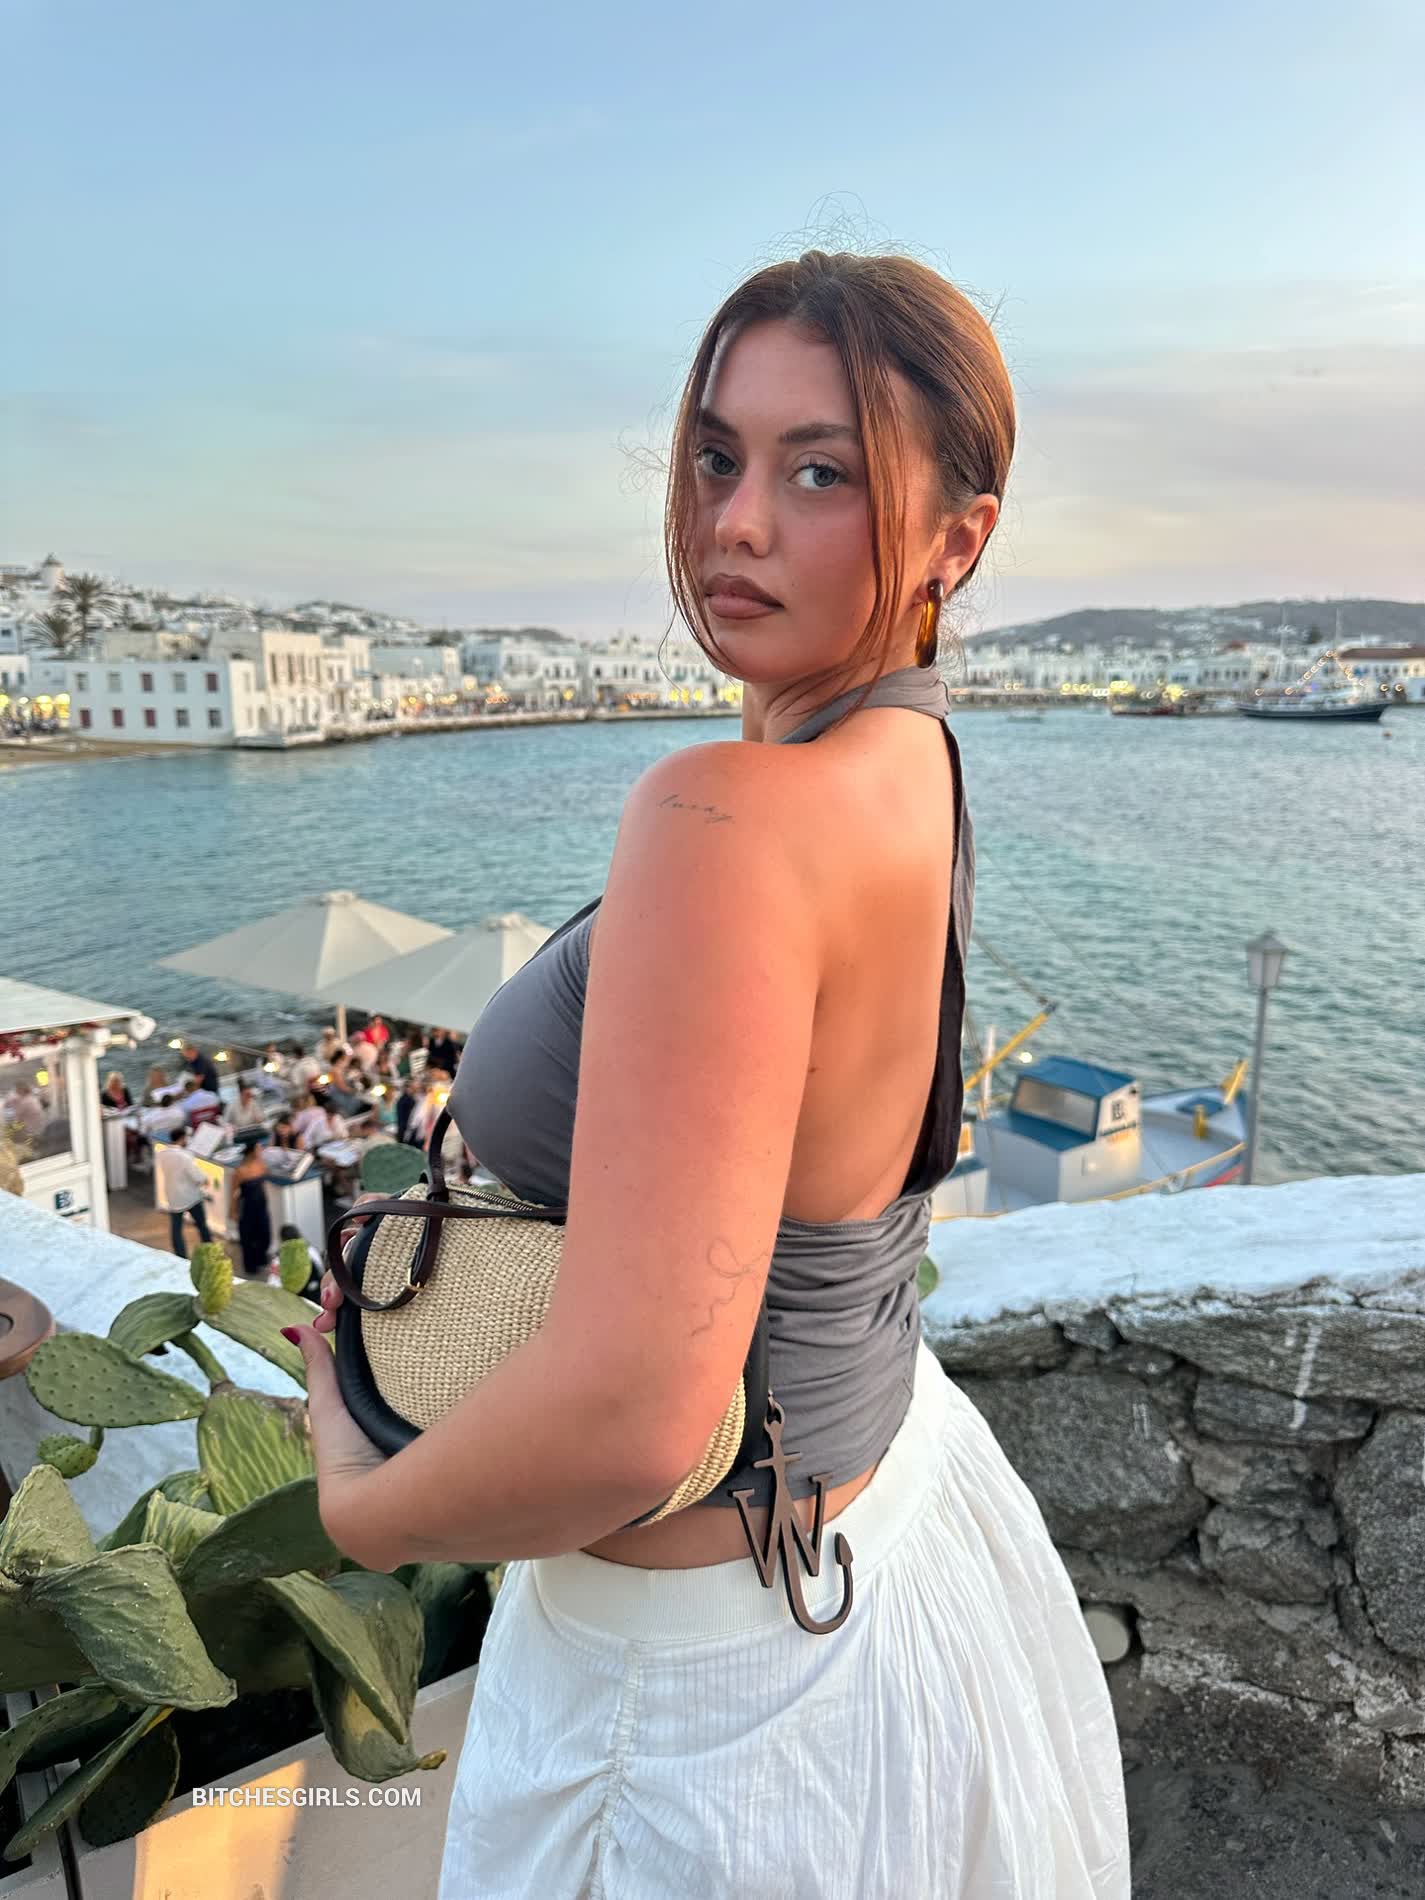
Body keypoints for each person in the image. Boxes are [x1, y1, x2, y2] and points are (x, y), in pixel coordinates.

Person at [291, 250, 1130, 1898]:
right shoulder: (912, 763)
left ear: (958, 538)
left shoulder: (719, 819)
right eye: (716, 457)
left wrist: (357, 1508)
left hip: (692, 1706)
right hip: (882, 1556)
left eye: (822, 473)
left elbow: (631, 1420)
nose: (736, 524)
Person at [156, 1127, 211, 1258]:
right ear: (182, 1138)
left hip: (173, 1195)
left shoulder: (162, 1153)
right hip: (190, 1196)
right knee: (202, 1225)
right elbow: (197, 1177)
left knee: (176, 1229)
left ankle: (180, 1256)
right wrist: (205, 1180)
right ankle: (209, 1251)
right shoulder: (185, 1156)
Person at [229, 1133, 272, 1277]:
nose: (261, 1151)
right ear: (252, 1151)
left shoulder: (261, 1165)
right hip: (247, 1207)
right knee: (248, 1237)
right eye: (259, 1149)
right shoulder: (240, 1171)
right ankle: (251, 1265)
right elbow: (233, 1194)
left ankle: (261, 1259)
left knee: (264, 1234)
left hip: (261, 1205)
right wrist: (233, 1212)